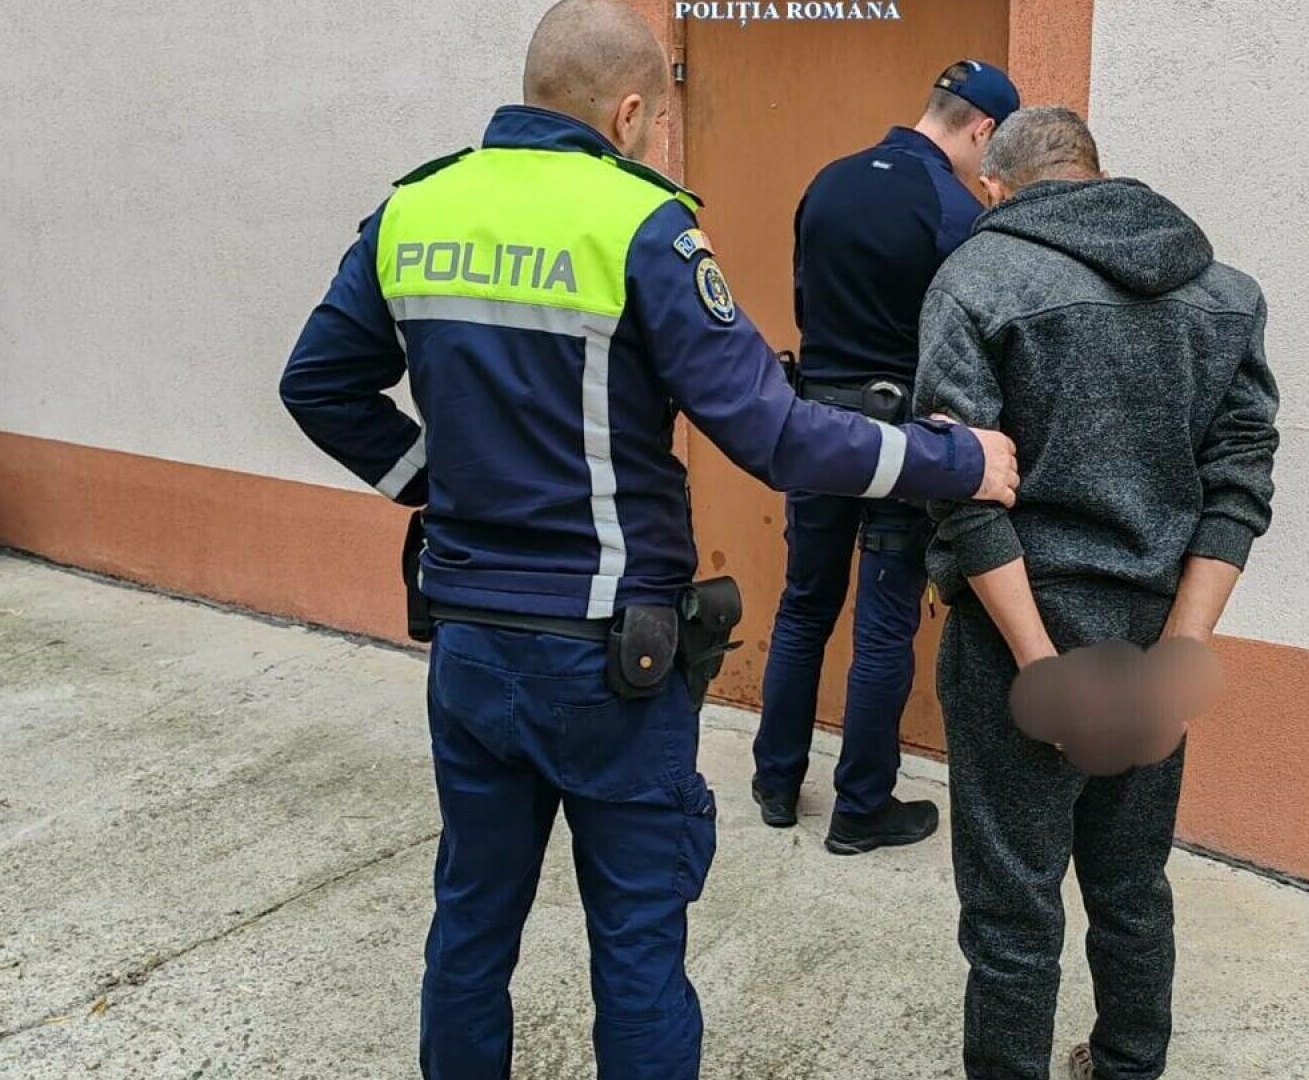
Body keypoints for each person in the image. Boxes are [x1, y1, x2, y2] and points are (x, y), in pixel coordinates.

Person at [278, 3, 1020, 1078]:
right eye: (662, 119)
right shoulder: (639, 225)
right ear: (629, 112)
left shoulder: (416, 209)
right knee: (635, 944)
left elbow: (317, 384)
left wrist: (434, 484)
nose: (661, 137)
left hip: (472, 642)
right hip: (607, 662)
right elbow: (772, 434)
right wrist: (952, 460)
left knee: (471, 925)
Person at [915, 106, 1280, 1080]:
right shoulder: (1223, 295)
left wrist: (1040, 668)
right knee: (1131, 885)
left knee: (1012, 911)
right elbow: (1240, 478)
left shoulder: (977, 279)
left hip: (1015, 647)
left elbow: (963, 494)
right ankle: (1128, 1063)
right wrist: (1181, 654)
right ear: (1093, 171)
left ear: (996, 186)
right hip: (1155, 638)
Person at [750, 60, 1019, 854]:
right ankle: (860, 809)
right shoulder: (955, 212)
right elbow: (960, 341)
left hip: (812, 427)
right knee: (883, 624)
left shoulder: (827, 183)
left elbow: (805, 305)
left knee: (804, 603)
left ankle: (775, 780)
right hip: (899, 439)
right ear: (983, 130)